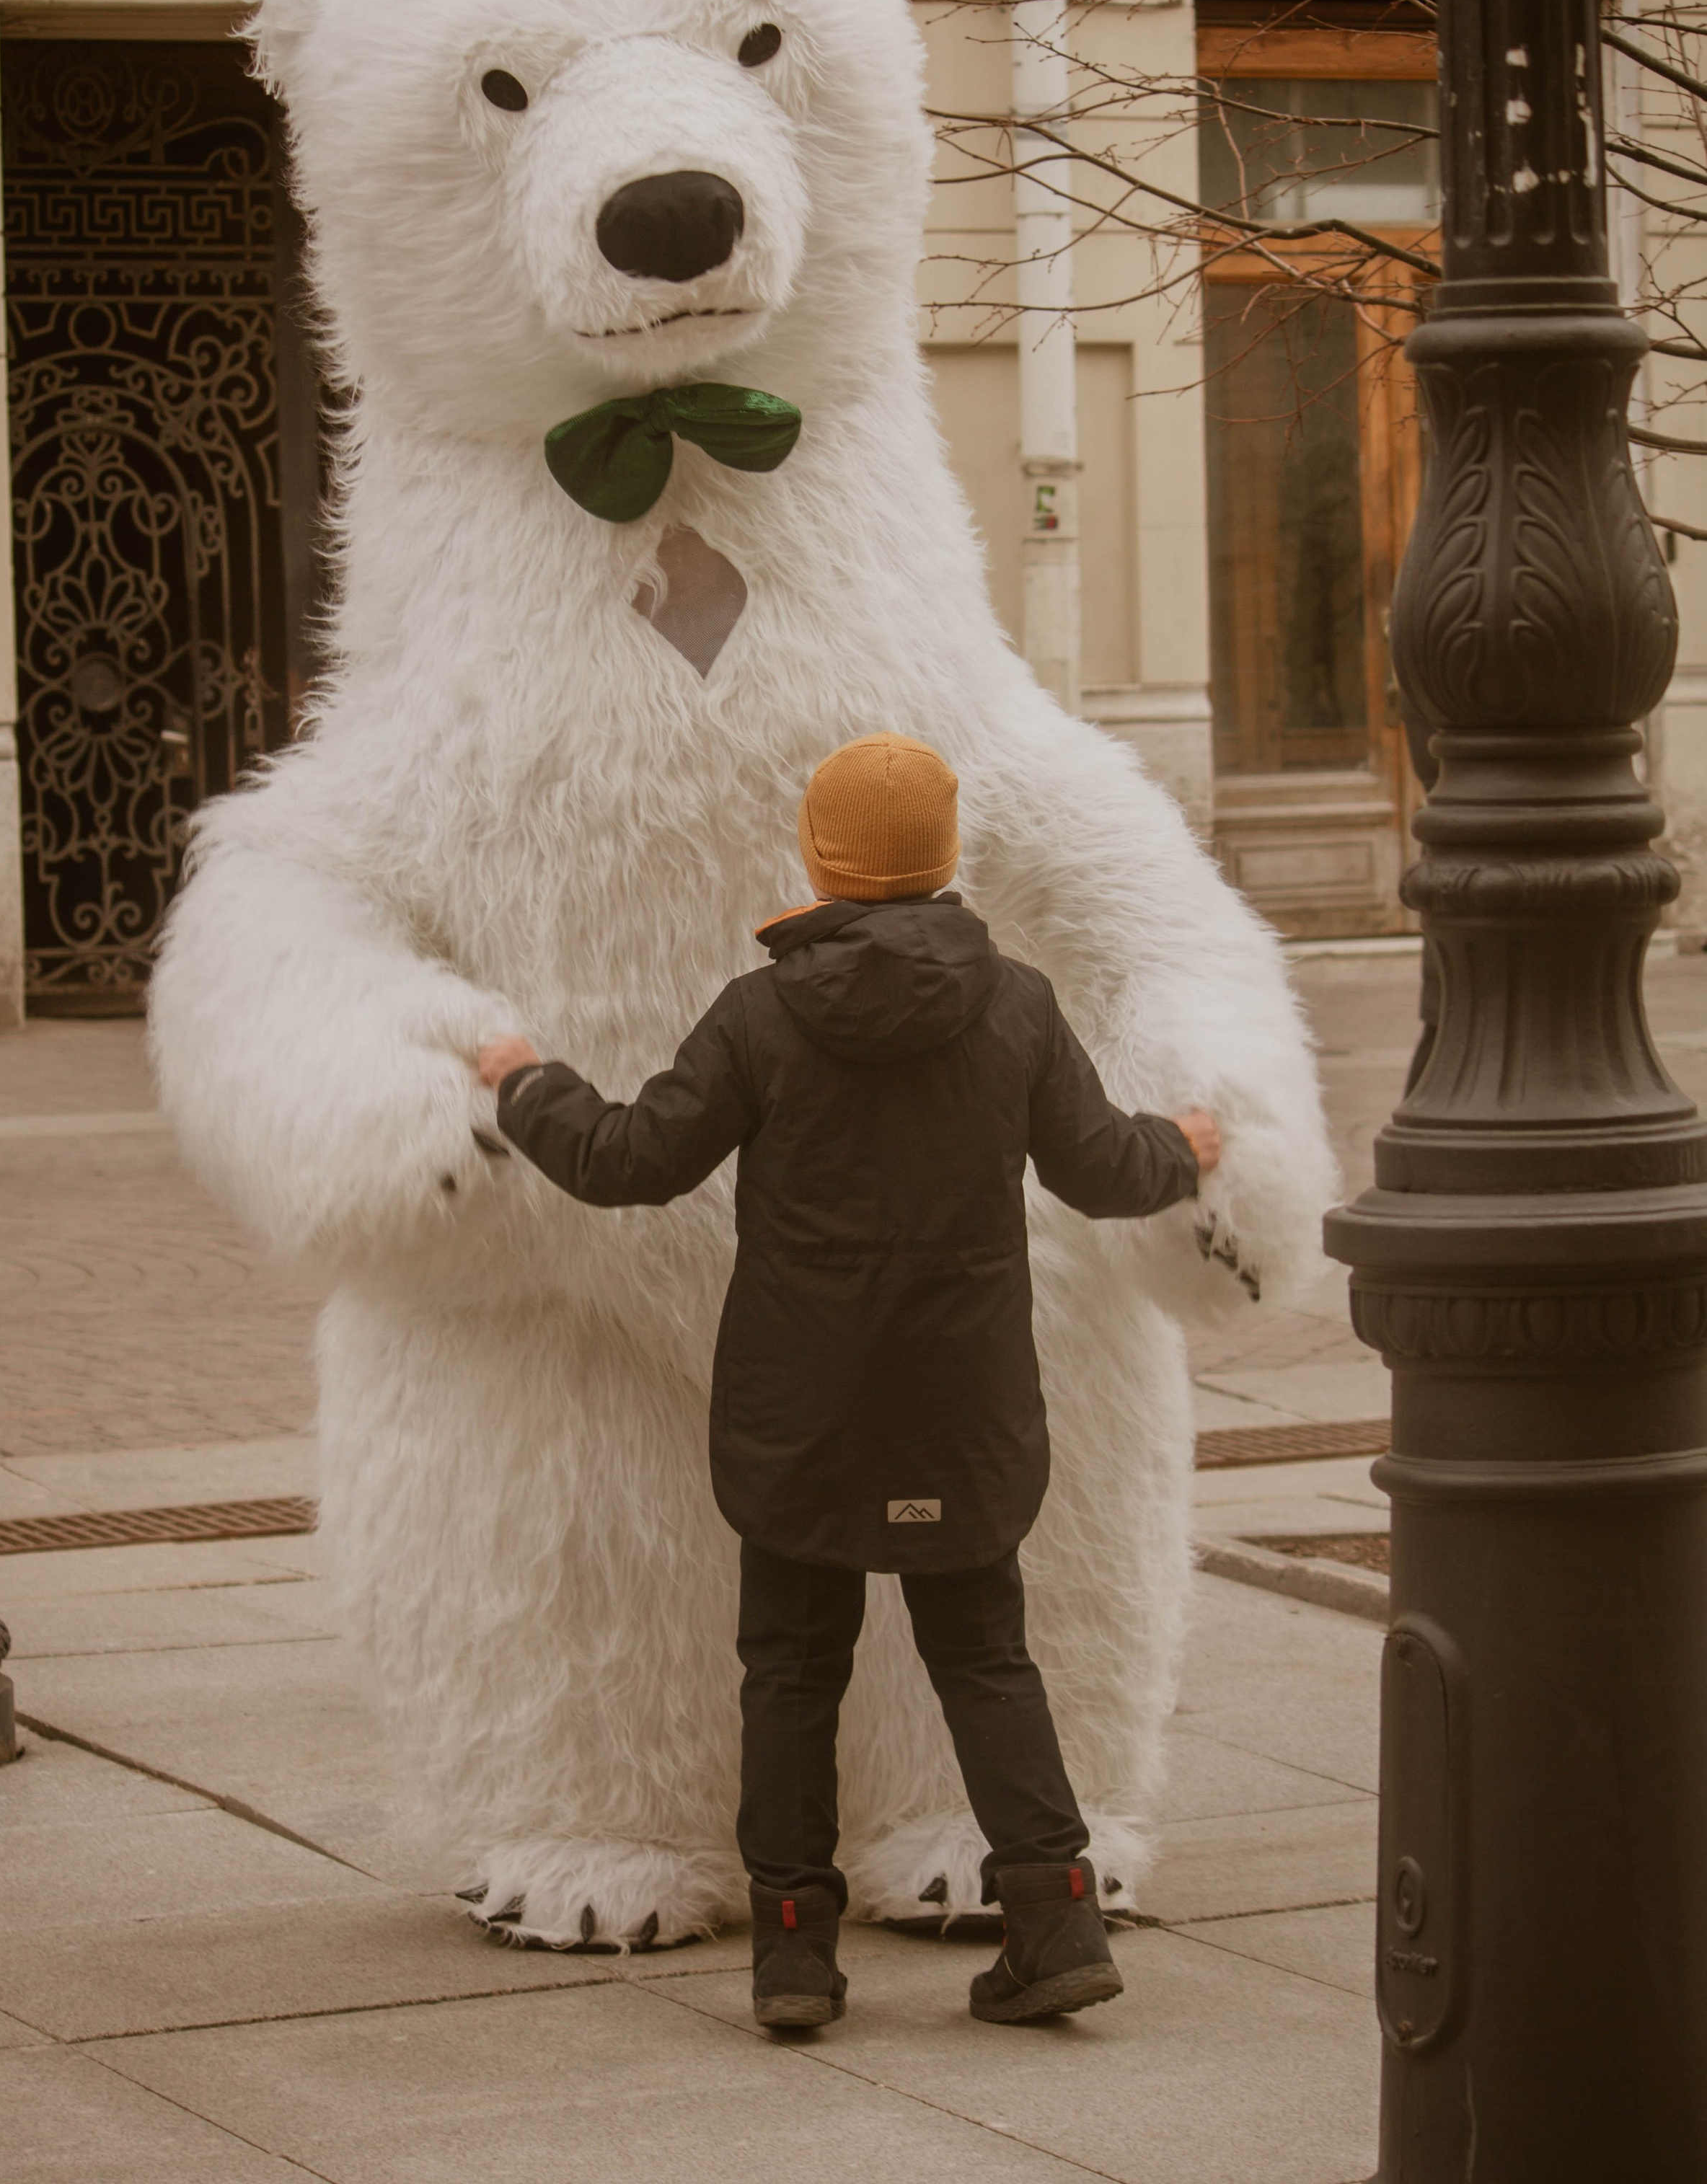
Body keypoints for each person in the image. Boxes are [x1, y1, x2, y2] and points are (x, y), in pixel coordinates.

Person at [477, 732, 1220, 2033]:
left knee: (790, 1671)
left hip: (801, 1415)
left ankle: (795, 1956)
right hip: (961, 1409)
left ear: (820, 859)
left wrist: (524, 1083)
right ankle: (1053, 1925)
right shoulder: (1019, 1005)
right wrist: (1189, 1146)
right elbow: (1103, 1170)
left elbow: (630, 1160)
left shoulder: (765, 1015)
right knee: (987, 1659)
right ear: (945, 857)